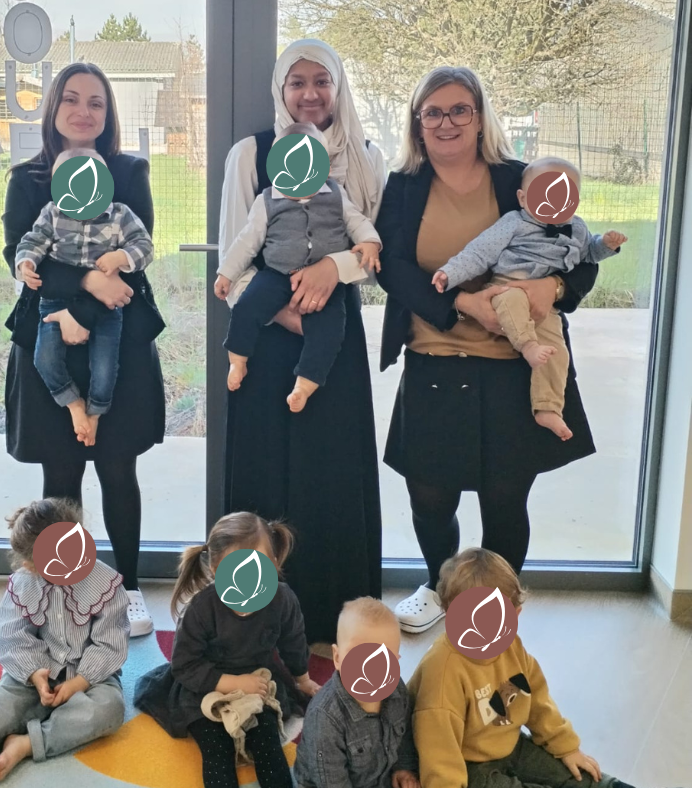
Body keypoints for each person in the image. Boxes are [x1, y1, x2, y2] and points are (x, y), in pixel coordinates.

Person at [376, 67, 598, 634]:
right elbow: (391, 269)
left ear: (479, 118)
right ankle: (439, 584)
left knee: (504, 499)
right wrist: (460, 305)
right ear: (417, 124)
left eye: (460, 109)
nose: (446, 122)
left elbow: (582, 255)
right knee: (430, 496)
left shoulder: (518, 179)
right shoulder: (403, 186)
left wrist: (554, 288)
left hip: (514, 365)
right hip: (433, 356)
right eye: (433, 112)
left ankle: (496, 603)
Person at [220, 38, 386, 644]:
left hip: (333, 333)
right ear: (280, 89)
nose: (310, 93)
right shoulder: (251, 154)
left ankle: (330, 614)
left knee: (331, 472)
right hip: (266, 335)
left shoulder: (365, 157)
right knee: (265, 471)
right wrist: (282, 311)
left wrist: (328, 273)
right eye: (298, 81)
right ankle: (255, 617)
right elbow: (235, 245)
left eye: (322, 81)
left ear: (338, 86)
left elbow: (374, 251)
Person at [2, 62, 166, 636]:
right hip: (47, 338)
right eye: (71, 99)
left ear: (108, 113)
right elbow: (21, 258)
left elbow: (135, 260)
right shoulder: (27, 179)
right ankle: (64, 589)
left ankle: (132, 587)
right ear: (53, 109)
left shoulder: (129, 172)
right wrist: (85, 284)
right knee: (61, 475)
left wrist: (90, 304)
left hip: (118, 340)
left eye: (96, 102)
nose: (83, 111)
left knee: (119, 470)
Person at [0, 498, 128, 787]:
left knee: (109, 709)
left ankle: (28, 743)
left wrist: (78, 683)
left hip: (91, 677)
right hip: (32, 675)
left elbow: (110, 642)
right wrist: (36, 675)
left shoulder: (105, 584)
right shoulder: (23, 584)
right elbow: (12, 636)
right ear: (30, 566)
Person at [432, 156, 626, 440]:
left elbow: (588, 256)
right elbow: (479, 252)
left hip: (546, 306)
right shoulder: (513, 223)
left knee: (557, 352)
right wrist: (449, 273)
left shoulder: (578, 228)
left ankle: (548, 408)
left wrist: (606, 245)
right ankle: (527, 345)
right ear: (523, 198)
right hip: (507, 287)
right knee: (514, 304)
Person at [409, 548, 637, 788]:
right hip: (467, 765)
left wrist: (566, 747)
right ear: (448, 614)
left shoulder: (512, 648)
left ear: (515, 616)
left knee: (574, 774)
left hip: (512, 746)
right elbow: (438, 751)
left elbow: (538, 702)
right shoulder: (442, 671)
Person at [134, 512, 321, 788]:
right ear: (215, 570)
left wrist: (302, 679)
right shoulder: (201, 609)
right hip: (204, 686)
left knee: (267, 742)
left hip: (258, 681)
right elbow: (185, 665)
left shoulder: (282, 599)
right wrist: (233, 683)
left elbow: (293, 641)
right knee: (217, 748)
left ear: (272, 564)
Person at [215, 121, 381, 412]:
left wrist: (370, 242)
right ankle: (237, 359)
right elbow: (246, 242)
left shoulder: (336, 195)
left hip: (327, 287)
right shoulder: (267, 200)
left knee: (331, 329)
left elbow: (358, 222)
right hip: (276, 274)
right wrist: (226, 273)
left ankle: (306, 382)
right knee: (246, 307)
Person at [16, 147, 155, 446]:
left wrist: (121, 257)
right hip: (55, 302)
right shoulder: (52, 213)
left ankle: (96, 413)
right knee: (45, 358)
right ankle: (73, 404)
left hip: (106, 307)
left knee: (105, 367)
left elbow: (144, 246)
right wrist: (25, 262)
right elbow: (33, 240)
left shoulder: (120, 215)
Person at [293, 597, 420, 788]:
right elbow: (330, 781)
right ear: (337, 658)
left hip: (380, 774)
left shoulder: (397, 691)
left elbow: (405, 734)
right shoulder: (325, 719)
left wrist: (404, 767)